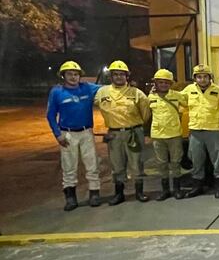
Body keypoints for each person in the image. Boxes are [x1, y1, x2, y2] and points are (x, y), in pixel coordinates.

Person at [46, 60, 102, 211]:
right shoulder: (57, 92)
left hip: (86, 132)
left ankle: (94, 193)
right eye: (69, 74)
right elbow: (50, 115)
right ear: (63, 76)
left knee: (92, 164)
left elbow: (108, 89)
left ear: (80, 76)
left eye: (76, 74)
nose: (73, 77)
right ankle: (70, 198)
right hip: (68, 133)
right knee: (69, 166)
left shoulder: (87, 88)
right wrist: (57, 134)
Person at [95, 60, 150, 205]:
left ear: (127, 76)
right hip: (114, 134)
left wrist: (137, 126)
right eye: (115, 74)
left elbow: (146, 113)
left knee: (137, 163)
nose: (119, 77)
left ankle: (139, 192)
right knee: (117, 164)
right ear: (111, 76)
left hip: (133, 133)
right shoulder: (102, 92)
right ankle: (119, 193)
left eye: (122, 74)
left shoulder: (136, 93)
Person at [181, 64, 219, 198]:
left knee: (218, 159)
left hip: (213, 130)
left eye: (205, 76)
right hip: (195, 130)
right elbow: (176, 99)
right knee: (196, 159)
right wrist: (157, 92)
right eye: (199, 77)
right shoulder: (188, 90)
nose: (202, 79)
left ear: (210, 77)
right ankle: (197, 186)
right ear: (195, 78)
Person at [147, 69, 187, 200]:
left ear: (170, 84)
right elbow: (146, 114)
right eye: (160, 82)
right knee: (161, 163)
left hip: (174, 134)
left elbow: (189, 103)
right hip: (158, 135)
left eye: (166, 82)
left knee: (176, 163)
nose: (163, 85)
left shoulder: (176, 95)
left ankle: (177, 189)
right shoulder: (150, 97)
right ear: (156, 83)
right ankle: (165, 190)